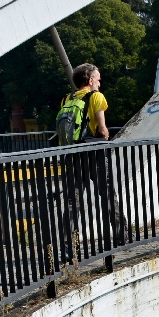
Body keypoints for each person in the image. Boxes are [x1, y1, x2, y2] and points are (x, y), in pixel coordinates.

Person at [58, 64, 127, 253]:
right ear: (90, 80)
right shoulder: (96, 97)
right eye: (98, 79)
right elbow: (103, 130)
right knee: (107, 194)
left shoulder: (67, 99)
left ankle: (68, 245)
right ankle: (121, 236)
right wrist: (106, 136)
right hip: (93, 153)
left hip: (72, 154)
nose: (99, 83)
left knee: (73, 200)